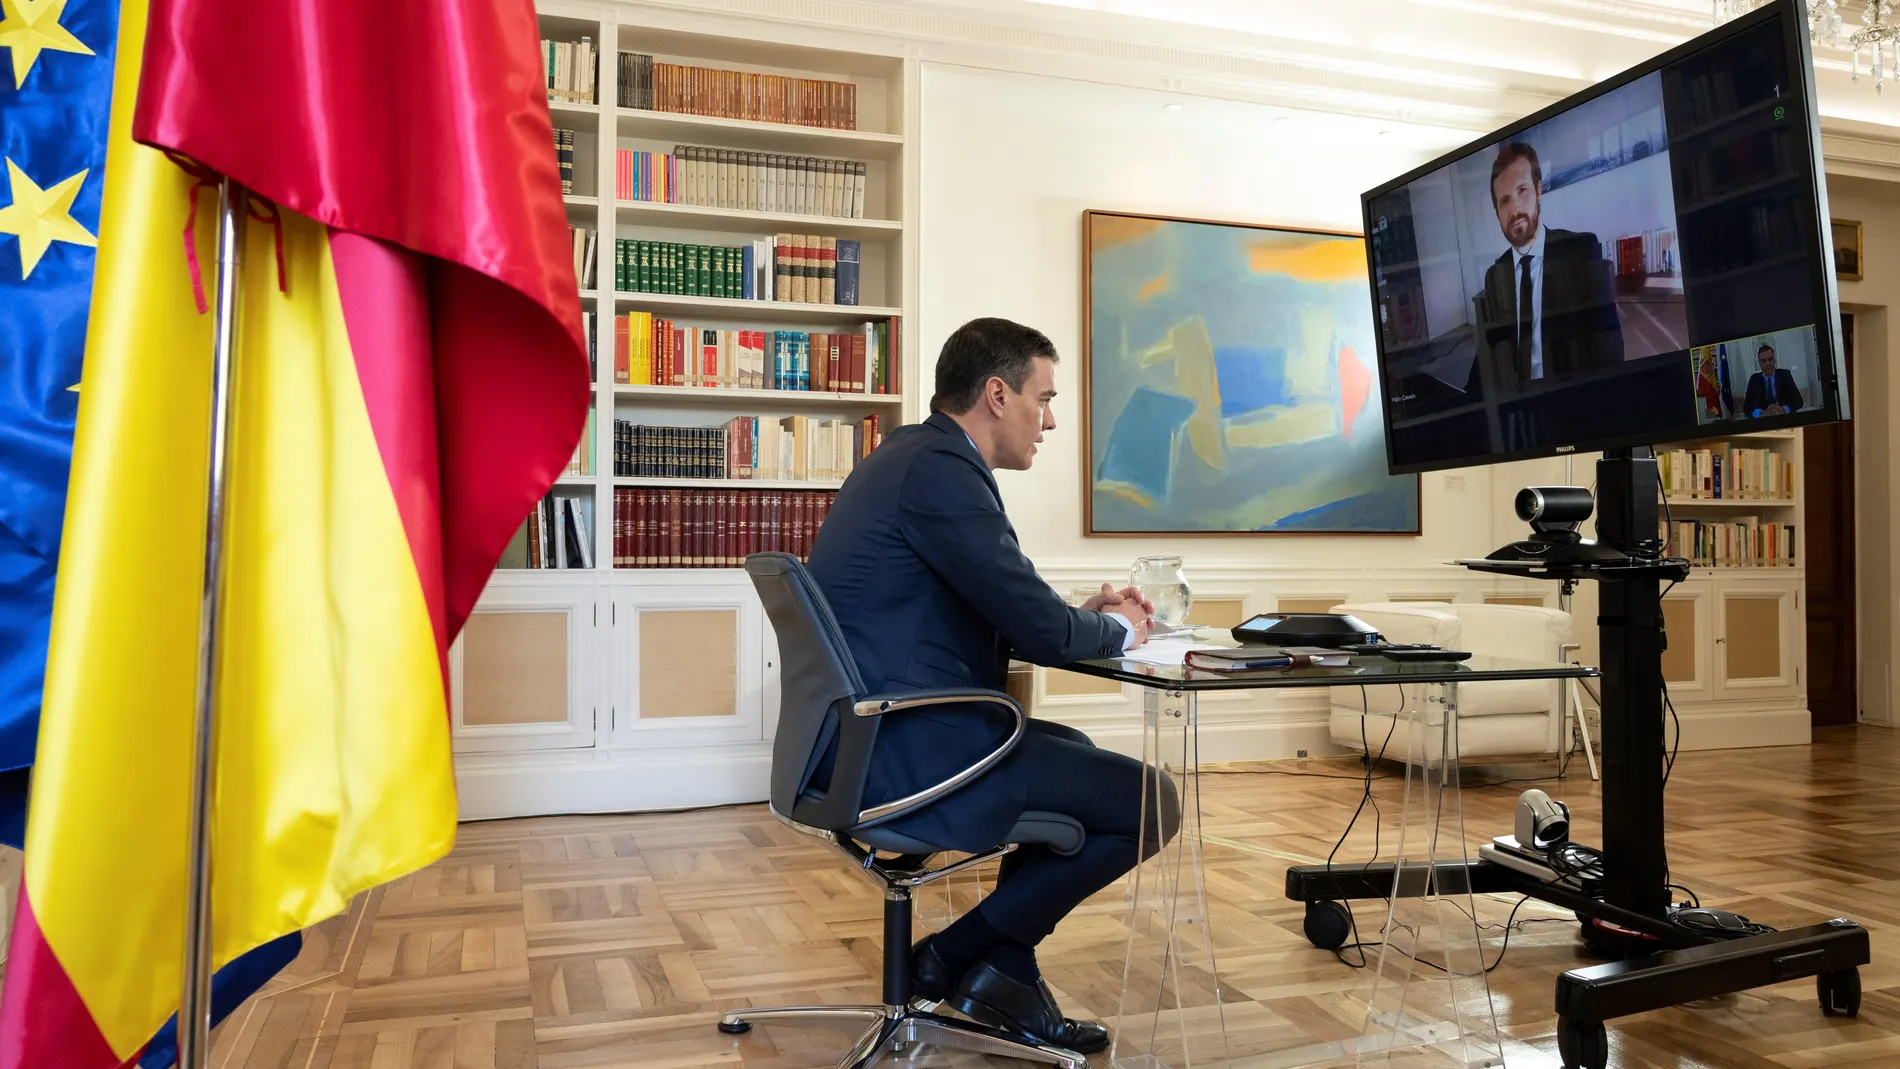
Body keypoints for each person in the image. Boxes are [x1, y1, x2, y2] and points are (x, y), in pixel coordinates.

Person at [805, 317, 1179, 1055]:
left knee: (1067, 746)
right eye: (1044, 398)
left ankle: (1001, 963)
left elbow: (1003, 603)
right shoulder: (943, 471)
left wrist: (1077, 616)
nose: (1049, 419)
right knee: (1151, 800)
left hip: (866, 739)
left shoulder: (915, 458)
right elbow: (1032, 625)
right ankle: (955, 955)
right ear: (997, 393)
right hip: (906, 751)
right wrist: (1125, 632)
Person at [1474, 142, 1624, 390]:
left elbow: (1610, 353)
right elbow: (1490, 363)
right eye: (1504, 201)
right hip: (1518, 411)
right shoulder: (1494, 276)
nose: (1515, 209)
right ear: (1497, 212)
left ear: (1538, 190)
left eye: (1522, 190)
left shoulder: (1579, 251)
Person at [1743, 342, 1802, 417]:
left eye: (1770, 359)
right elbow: (1746, 409)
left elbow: (1799, 401)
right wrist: (1760, 413)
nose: (1768, 364)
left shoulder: (1785, 375)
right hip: (1762, 423)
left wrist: (1783, 410)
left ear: (1774, 360)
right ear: (1759, 363)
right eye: (1764, 361)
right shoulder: (1754, 379)